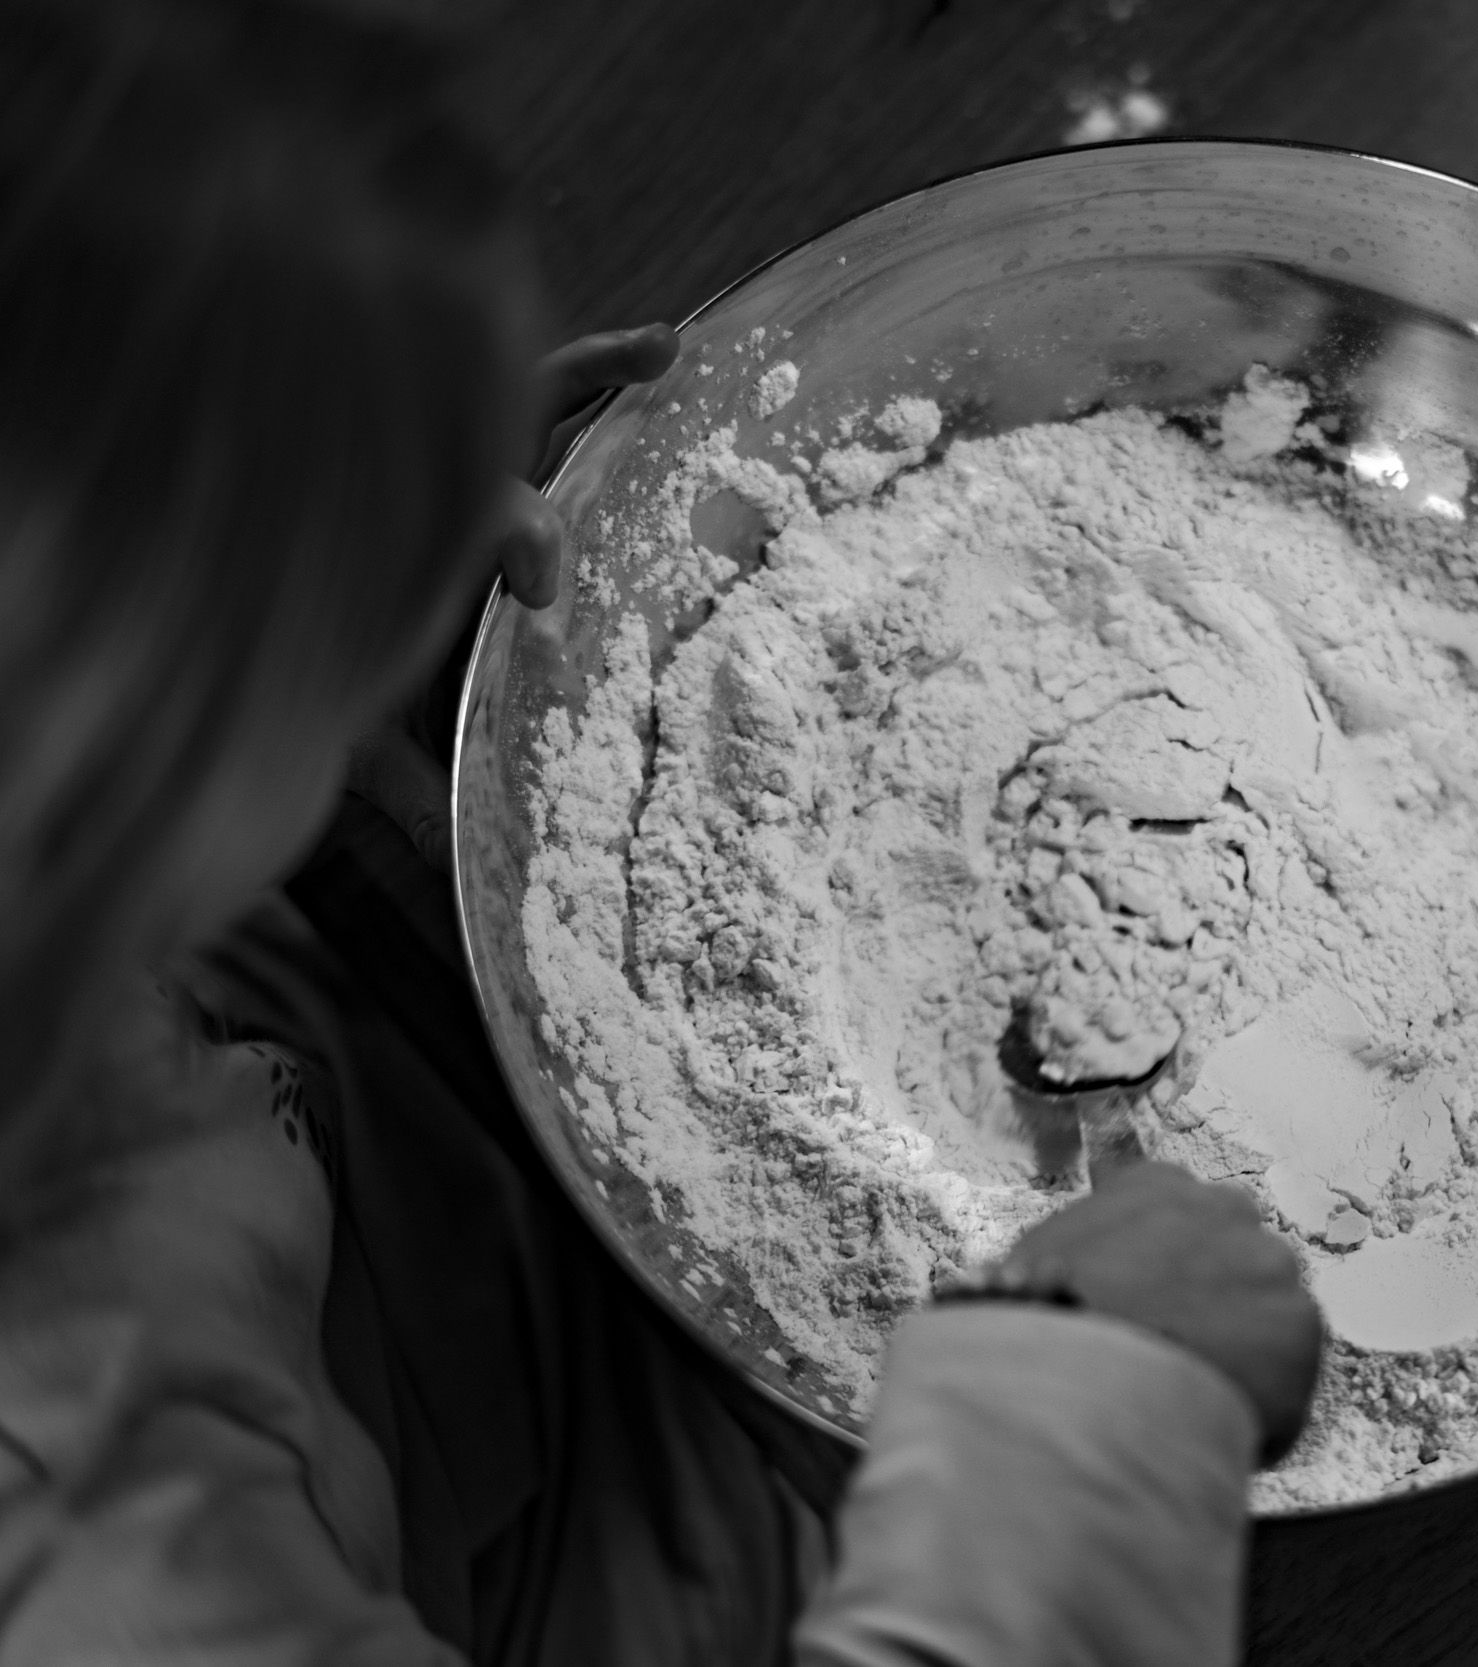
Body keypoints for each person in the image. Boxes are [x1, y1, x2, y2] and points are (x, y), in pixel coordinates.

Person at [0, 1, 1323, 1663]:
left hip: (256, 1132)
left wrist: (334, 577)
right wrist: (1097, 1412)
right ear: (125, 753)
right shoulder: (97, 1565)